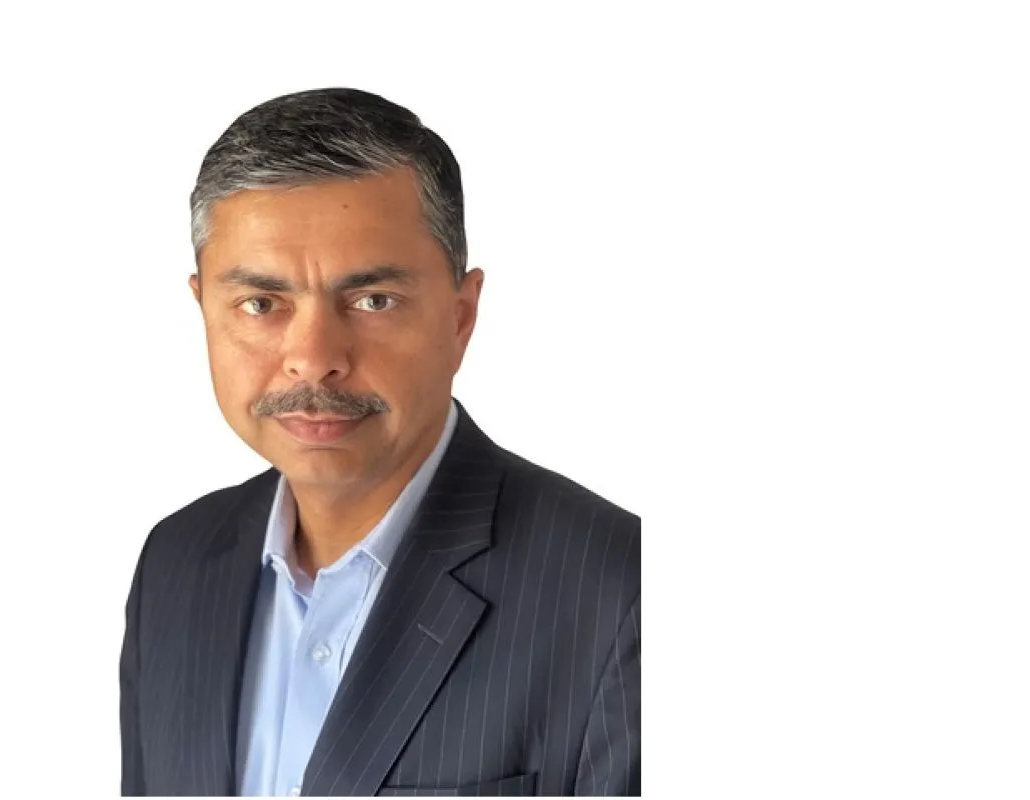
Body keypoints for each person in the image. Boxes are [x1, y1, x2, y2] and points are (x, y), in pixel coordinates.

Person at [119, 87, 640, 797]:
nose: (313, 359)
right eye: (261, 304)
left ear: (460, 317)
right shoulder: (175, 563)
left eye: (372, 301)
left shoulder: (620, 592)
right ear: (204, 309)